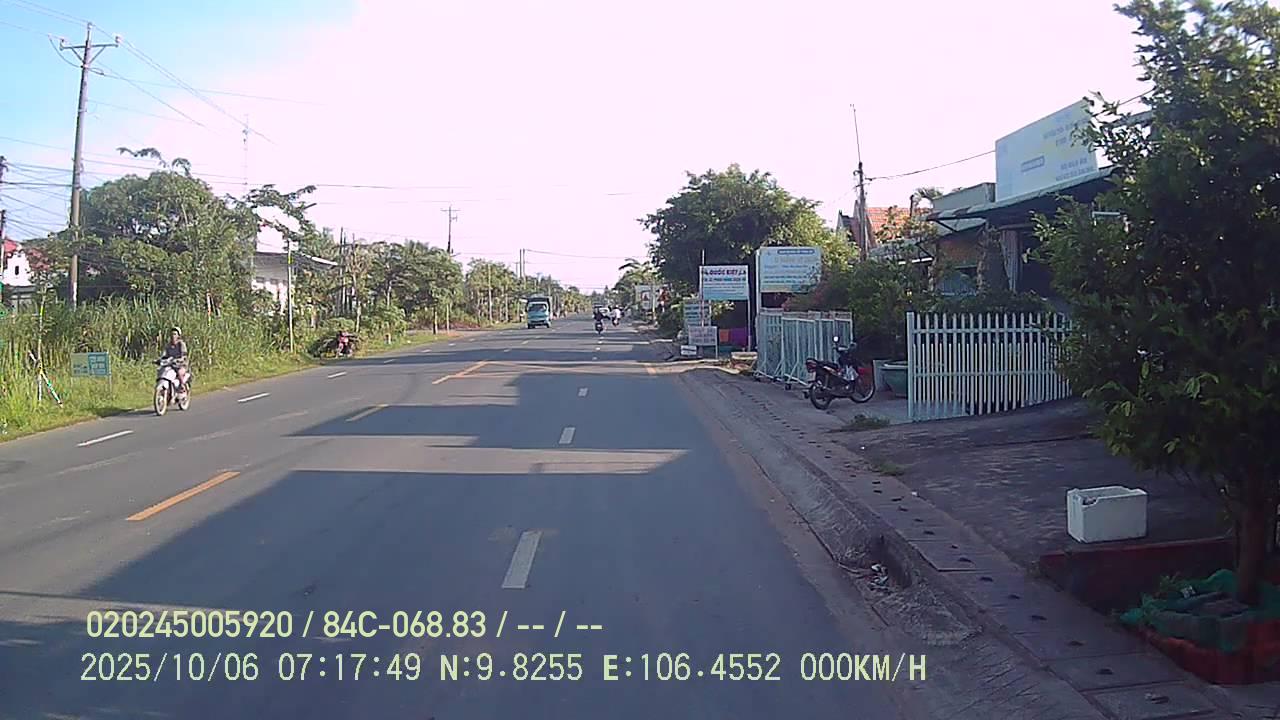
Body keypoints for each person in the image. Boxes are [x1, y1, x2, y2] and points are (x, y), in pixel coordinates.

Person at [160, 326, 192, 391]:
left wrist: (179, 359)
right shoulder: (168, 345)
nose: (173, 336)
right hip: (171, 365)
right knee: (162, 371)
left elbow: (184, 355)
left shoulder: (181, 344)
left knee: (179, 373)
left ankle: (182, 385)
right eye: (171, 334)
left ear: (178, 336)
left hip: (181, 365)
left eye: (175, 334)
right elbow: (164, 354)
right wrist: (160, 360)